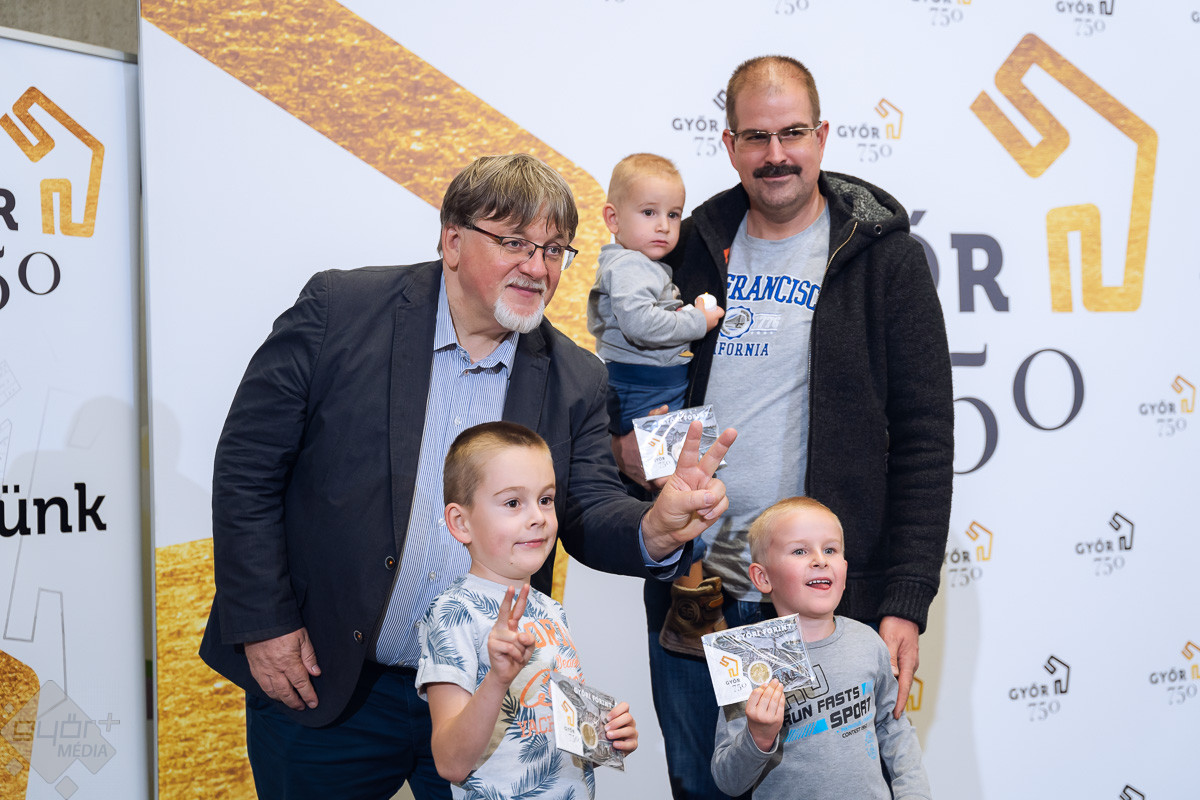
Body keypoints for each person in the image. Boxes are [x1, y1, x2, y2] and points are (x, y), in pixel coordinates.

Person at [199, 153, 736, 799]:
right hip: (327, 679)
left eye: (553, 250)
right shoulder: (340, 310)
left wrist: (656, 528)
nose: (537, 267)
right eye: (514, 243)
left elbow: (589, 508)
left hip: (491, 698)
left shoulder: (575, 377)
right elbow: (248, 470)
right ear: (452, 241)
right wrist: (264, 623)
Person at [621, 56, 953, 799]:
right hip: (702, 593)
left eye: (793, 133)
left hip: (819, 604)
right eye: (757, 137)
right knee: (705, 787)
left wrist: (905, 598)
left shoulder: (885, 260)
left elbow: (926, 439)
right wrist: (628, 449)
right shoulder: (686, 250)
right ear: (730, 144)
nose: (776, 155)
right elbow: (631, 378)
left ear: (822, 137)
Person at [418, 422, 639, 799]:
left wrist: (606, 737)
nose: (537, 516)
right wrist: (497, 680)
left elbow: (553, 747)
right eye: (513, 503)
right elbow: (451, 764)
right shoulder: (452, 613)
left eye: (546, 499)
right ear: (461, 522)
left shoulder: (551, 609)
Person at [710, 497, 931, 799]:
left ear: (844, 569)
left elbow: (894, 728)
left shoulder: (868, 641)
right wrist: (758, 737)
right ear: (762, 577)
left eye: (830, 549)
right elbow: (728, 781)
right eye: (800, 551)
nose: (820, 560)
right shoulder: (748, 663)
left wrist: (913, 793)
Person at [587, 153, 724, 435]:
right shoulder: (630, 264)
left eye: (673, 214)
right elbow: (641, 324)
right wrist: (698, 321)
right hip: (643, 388)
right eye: (649, 212)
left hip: (651, 384)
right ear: (613, 218)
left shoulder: (642, 264)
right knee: (665, 458)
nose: (663, 225)